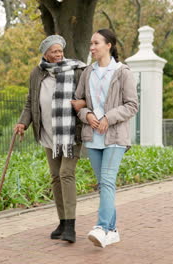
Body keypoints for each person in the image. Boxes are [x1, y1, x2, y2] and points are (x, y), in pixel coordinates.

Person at [15, 35, 86, 243]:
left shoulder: (76, 70)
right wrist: (22, 123)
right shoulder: (37, 74)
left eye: (60, 51)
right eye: (54, 51)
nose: (59, 54)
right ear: (45, 54)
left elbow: (87, 96)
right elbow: (30, 101)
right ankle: (62, 222)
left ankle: (71, 226)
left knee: (66, 173)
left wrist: (82, 103)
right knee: (55, 176)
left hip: (71, 133)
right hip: (48, 133)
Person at [71, 29, 138, 248]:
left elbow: (132, 105)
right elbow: (78, 102)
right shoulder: (87, 72)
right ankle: (113, 230)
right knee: (103, 185)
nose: (92, 47)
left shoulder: (123, 72)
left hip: (115, 137)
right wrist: (87, 115)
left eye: (96, 43)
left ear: (109, 45)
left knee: (108, 182)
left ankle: (101, 227)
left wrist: (109, 117)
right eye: (91, 43)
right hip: (93, 137)